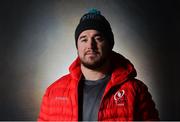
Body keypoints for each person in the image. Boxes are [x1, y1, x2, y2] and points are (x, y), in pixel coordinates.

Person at [38, 9, 159, 121]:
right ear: (77, 46)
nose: (90, 45)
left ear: (109, 44)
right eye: (84, 39)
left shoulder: (136, 90)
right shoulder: (53, 92)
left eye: (98, 38)